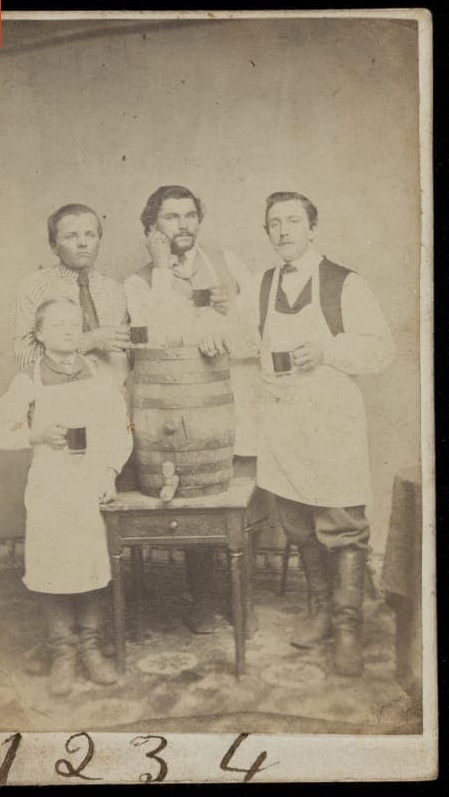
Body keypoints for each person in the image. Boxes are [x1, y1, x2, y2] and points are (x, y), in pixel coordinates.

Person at [249, 191, 394, 676]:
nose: (284, 230)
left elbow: (379, 351)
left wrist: (328, 350)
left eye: (293, 220)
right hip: (283, 426)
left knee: (343, 530)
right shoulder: (263, 284)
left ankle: (349, 628)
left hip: (332, 424)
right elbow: (242, 341)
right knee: (298, 525)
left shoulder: (345, 283)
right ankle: (321, 613)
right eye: (275, 223)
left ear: (313, 228)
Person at [124, 185, 262, 634]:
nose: (182, 225)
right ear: (152, 228)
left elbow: (255, 341)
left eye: (189, 216)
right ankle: (203, 599)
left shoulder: (229, 266)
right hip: (180, 406)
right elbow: (158, 339)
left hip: (234, 401)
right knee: (194, 493)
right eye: (170, 217)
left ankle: (242, 601)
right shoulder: (140, 282)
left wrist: (227, 316)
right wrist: (164, 270)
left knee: (242, 502)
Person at [0, 298, 133, 696]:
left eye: (74, 323)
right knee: (53, 570)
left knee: (89, 568)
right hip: (50, 488)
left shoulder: (99, 374)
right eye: (58, 325)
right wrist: (33, 435)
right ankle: (62, 652)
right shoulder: (28, 380)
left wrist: (109, 471)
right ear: (40, 334)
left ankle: (90, 648)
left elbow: (120, 428)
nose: (69, 330)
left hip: (88, 487)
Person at [14, 203, 130, 382]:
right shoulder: (35, 286)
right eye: (71, 236)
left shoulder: (116, 290)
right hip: (58, 397)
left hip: (111, 397)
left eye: (90, 235)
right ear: (54, 246)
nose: (83, 243)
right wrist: (88, 341)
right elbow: (25, 357)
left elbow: (129, 353)